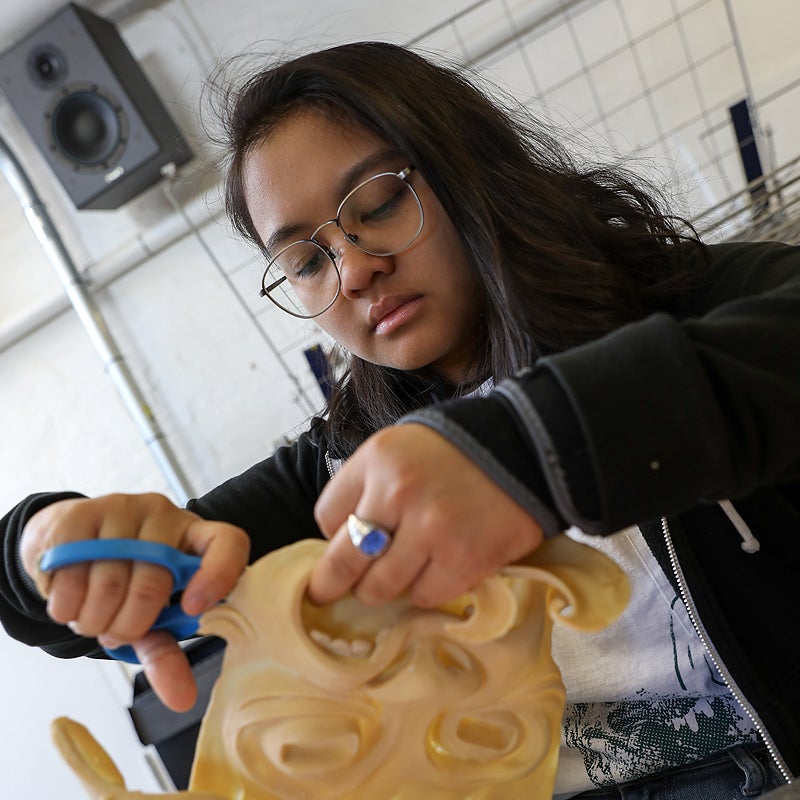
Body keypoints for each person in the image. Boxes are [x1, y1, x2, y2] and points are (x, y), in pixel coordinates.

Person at [0, 40, 798, 798]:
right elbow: (97, 586)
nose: (354, 270)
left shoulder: (701, 303)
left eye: (378, 205)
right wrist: (45, 546)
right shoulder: (347, 470)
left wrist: (528, 448)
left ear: (469, 169)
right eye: (306, 262)